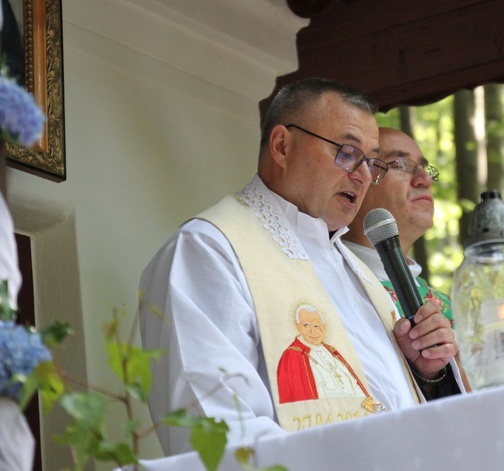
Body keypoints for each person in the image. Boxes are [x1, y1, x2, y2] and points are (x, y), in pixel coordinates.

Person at [138, 78, 463, 456]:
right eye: (346, 152)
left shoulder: (354, 270)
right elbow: (216, 430)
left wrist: (427, 374)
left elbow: (392, 407)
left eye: (372, 162)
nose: (362, 175)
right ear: (282, 146)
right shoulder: (210, 250)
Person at [342, 127, 471, 389]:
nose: (424, 179)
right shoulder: (327, 279)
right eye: (401, 164)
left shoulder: (442, 305)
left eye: (425, 168)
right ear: (358, 179)